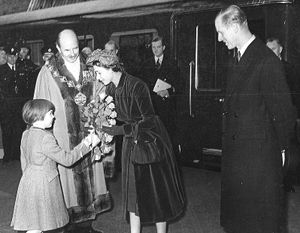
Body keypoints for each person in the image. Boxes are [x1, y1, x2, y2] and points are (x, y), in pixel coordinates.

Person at [215, 5, 296, 233]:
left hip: (258, 163)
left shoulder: (266, 60)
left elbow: (284, 114)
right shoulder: (239, 58)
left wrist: (278, 154)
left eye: (221, 32)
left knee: (258, 224)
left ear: (235, 27)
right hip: (241, 161)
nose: (219, 38)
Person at [86, 49, 185, 233]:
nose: (98, 78)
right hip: (131, 143)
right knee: (133, 196)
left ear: (110, 66)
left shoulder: (136, 86)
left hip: (150, 143)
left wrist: (117, 130)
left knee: (156, 195)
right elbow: (108, 113)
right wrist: (99, 122)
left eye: (99, 73)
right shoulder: (111, 88)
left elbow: (148, 120)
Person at [34, 29, 111, 233]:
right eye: (67, 50)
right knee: (66, 189)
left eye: (75, 48)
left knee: (92, 185)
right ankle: (68, 227)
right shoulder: (48, 72)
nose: (72, 53)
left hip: (90, 135)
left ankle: (87, 226)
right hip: (63, 140)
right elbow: (38, 110)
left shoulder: (91, 66)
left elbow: (104, 95)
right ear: (58, 48)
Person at [11, 99, 100, 233]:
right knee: (40, 223)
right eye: (50, 114)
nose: (54, 117)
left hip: (28, 182)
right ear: (39, 116)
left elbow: (24, 160)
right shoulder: (46, 138)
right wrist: (88, 143)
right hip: (43, 184)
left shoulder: (26, 134)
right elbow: (67, 159)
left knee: (34, 223)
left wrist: (29, 179)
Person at [266, 37, 300, 193]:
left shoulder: (289, 69)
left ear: (280, 49)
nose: (270, 52)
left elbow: (295, 94)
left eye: (273, 49)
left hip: (286, 116)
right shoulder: (265, 68)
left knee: (287, 149)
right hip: (270, 116)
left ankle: (285, 181)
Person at [138, 36, 181, 154]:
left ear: (163, 47)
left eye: (158, 47)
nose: (155, 50)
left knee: (168, 138)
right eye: (153, 47)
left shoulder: (172, 63)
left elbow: (179, 84)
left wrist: (169, 92)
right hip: (153, 106)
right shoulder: (146, 64)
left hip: (167, 107)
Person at [0, 45, 25, 163]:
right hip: (6, 107)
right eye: (10, 56)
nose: (13, 59)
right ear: (7, 57)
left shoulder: (21, 68)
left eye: (15, 56)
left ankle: (16, 154)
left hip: (18, 106)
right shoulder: (1, 70)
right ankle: (7, 155)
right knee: (7, 131)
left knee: (18, 129)